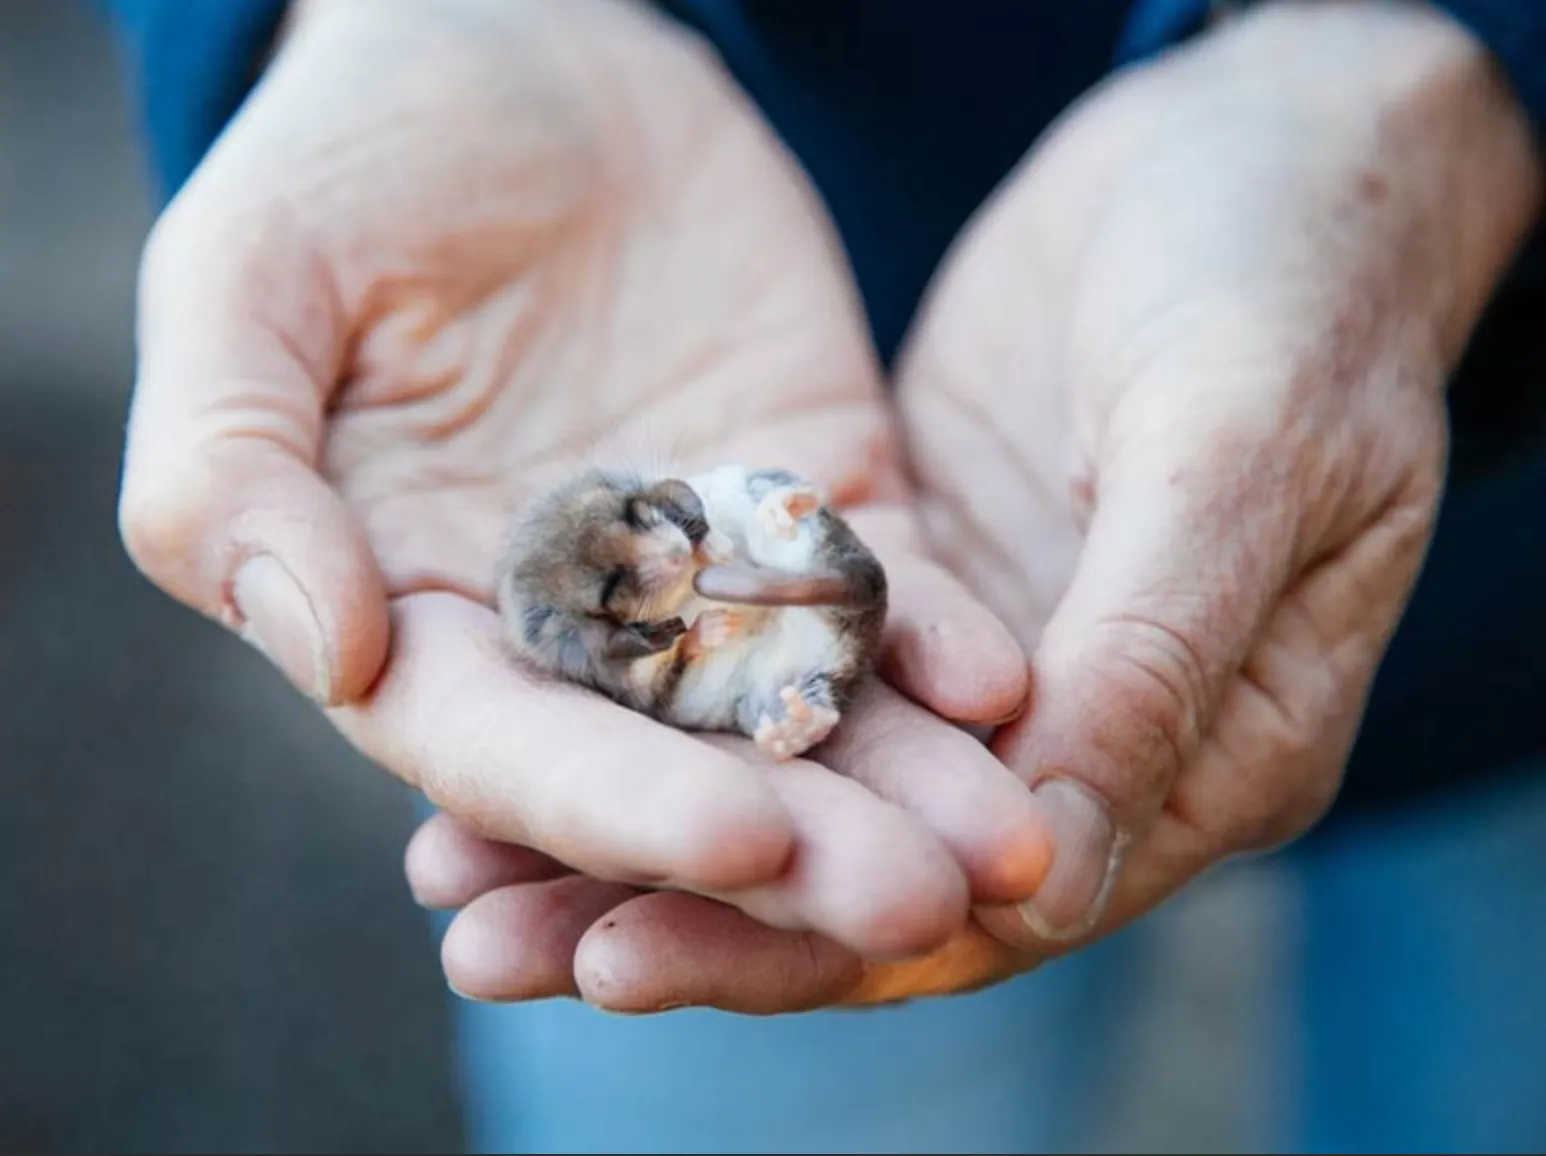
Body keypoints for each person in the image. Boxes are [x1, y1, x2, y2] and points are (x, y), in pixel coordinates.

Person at [97, 0, 1546, 1150]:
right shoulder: (636, 606)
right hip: (700, 246)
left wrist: (1456, 52)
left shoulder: (708, 540)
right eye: (648, 571)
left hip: (1493, 586)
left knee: (1473, 1073)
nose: (675, 558)